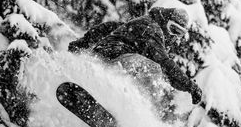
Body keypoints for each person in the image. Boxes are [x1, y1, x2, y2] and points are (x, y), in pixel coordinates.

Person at [68, 7, 202, 105]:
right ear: (165, 20)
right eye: (173, 29)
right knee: (152, 70)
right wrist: (190, 86)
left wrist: (82, 43)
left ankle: (118, 105)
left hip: (109, 57)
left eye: (178, 34)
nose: (173, 36)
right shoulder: (152, 28)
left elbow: (109, 27)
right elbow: (165, 63)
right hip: (113, 55)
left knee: (160, 78)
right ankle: (143, 113)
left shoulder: (144, 24)